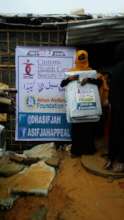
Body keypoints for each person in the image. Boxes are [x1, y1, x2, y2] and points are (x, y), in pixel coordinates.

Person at [61, 50, 109, 157]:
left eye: (84, 58)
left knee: (88, 129)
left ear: (87, 59)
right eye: (80, 58)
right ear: (77, 59)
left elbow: (100, 82)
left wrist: (88, 80)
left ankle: (89, 150)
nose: (82, 60)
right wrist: (70, 79)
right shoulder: (71, 72)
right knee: (77, 130)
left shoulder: (91, 72)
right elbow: (62, 84)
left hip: (88, 107)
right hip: (76, 108)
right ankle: (76, 151)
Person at [104, 42, 124, 172]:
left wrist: (111, 102)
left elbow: (111, 90)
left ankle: (110, 159)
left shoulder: (115, 69)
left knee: (114, 131)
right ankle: (121, 161)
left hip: (116, 106)